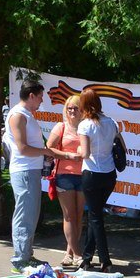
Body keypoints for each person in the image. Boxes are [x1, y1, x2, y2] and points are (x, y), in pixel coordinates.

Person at [3, 82, 57, 271]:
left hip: (30, 170)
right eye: (41, 96)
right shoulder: (18, 115)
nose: (42, 100)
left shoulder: (26, 115)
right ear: (32, 95)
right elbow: (23, 148)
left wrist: (45, 153)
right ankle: (19, 260)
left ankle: (26, 255)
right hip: (24, 171)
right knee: (25, 214)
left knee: (31, 214)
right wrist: (47, 151)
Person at [76, 88, 123, 272]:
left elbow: (85, 153)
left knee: (96, 217)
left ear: (83, 104)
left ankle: (105, 260)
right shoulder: (111, 122)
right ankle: (86, 259)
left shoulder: (85, 125)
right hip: (109, 175)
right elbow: (120, 145)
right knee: (94, 215)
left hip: (92, 174)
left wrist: (76, 152)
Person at [46, 94, 86, 267]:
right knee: (69, 216)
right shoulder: (61, 127)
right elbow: (49, 148)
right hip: (65, 175)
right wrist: (68, 155)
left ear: (82, 110)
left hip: (84, 175)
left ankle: (70, 253)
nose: (72, 111)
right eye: (69, 108)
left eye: (76, 108)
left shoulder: (86, 127)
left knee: (78, 216)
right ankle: (77, 254)